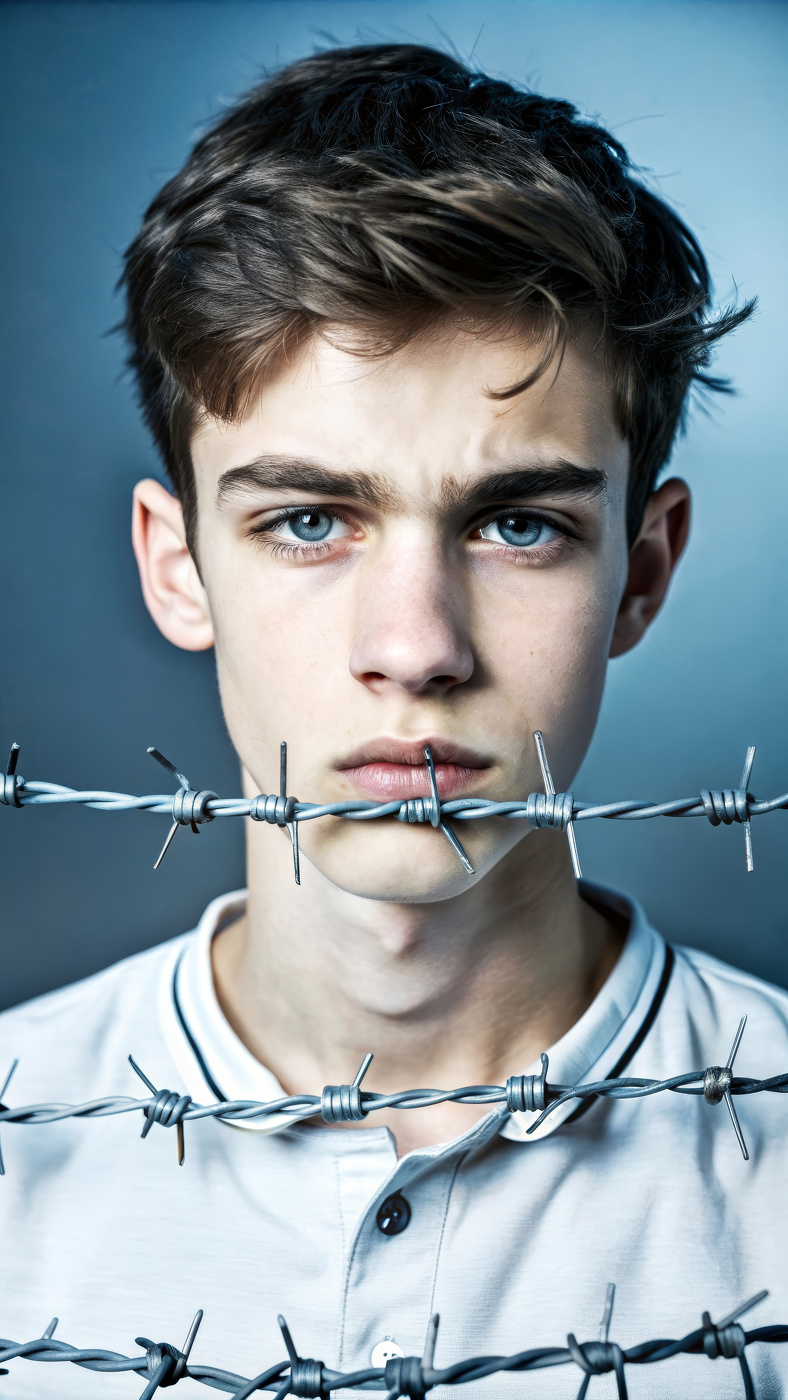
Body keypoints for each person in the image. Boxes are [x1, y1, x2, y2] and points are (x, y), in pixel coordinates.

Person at [1, 42, 786, 1400]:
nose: (414, 648)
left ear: (642, 574)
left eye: (519, 525)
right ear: (176, 564)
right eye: (309, 522)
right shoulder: (21, 1136)